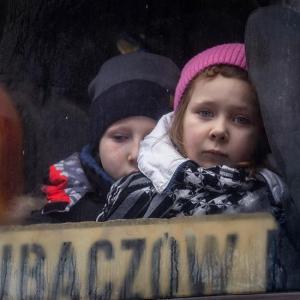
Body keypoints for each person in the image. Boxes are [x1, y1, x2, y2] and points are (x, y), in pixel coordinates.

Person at [99, 43, 288, 221]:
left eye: (241, 119)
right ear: (179, 120)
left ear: (261, 133)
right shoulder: (134, 193)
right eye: (205, 113)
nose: (219, 130)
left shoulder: (278, 200)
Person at [26, 51, 179, 223]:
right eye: (120, 137)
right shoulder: (58, 211)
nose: (136, 154)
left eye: (154, 138)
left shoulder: (200, 203)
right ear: (98, 144)